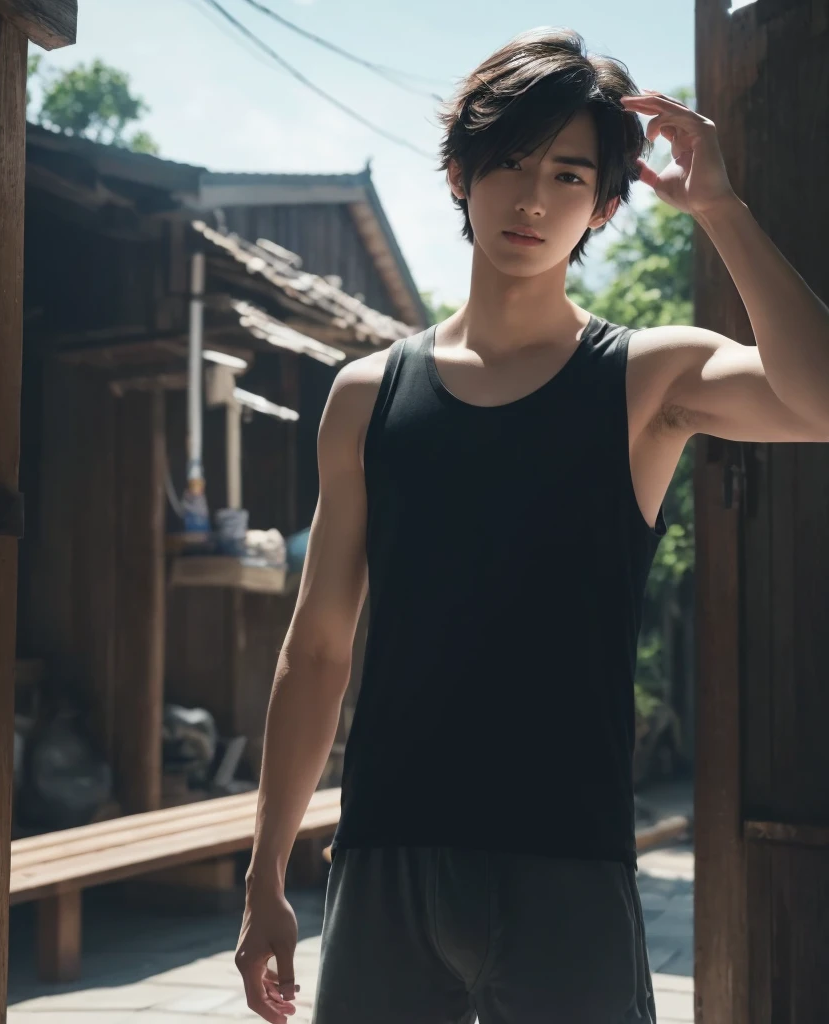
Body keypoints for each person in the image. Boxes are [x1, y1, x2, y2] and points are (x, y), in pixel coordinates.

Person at [234, 26, 829, 1024]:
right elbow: (318, 648)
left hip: (570, 870)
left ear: (602, 204)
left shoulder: (645, 376)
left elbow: (818, 402)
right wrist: (262, 883)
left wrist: (719, 208)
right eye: (509, 163)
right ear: (460, 174)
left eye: (565, 174)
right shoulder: (366, 396)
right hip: (388, 863)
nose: (532, 198)